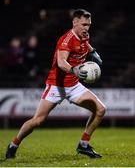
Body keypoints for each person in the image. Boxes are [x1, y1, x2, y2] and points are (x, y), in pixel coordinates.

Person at [5, 9, 106, 159]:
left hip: (73, 86)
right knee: (37, 121)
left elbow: (86, 44)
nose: (86, 28)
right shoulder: (66, 40)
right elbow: (61, 62)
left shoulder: (85, 35)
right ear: (75, 22)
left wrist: (93, 52)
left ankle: (83, 145)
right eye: (84, 24)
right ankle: (14, 144)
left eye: (89, 25)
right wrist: (74, 70)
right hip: (56, 86)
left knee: (100, 110)